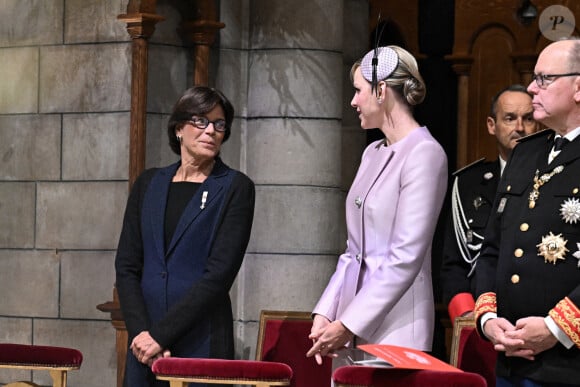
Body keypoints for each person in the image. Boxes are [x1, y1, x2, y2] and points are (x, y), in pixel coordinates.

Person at [306, 45, 448, 372]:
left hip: (396, 326)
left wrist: (349, 323)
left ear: (381, 90)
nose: (353, 101)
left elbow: (405, 256)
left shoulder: (424, 154)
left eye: (358, 90)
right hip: (349, 322)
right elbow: (353, 251)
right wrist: (326, 311)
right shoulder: (372, 152)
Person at [115, 86, 255, 387]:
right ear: (179, 128)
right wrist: (141, 334)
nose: (211, 131)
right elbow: (127, 266)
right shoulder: (148, 183)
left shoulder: (234, 187)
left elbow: (218, 276)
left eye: (219, 125)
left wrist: (160, 335)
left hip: (200, 340)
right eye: (201, 121)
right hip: (144, 345)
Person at [474, 38, 580, 386]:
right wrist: (488, 319)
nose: (532, 87)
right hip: (510, 359)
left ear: (578, 86)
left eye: (544, 79)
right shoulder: (526, 153)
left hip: (569, 364)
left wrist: (555, 327)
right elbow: (493, 248)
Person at [441, 85, 538, 324]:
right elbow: (452, 263)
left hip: (535, 319)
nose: (519, 128)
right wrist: (468, 316)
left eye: (528, 118)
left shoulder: (552, 180)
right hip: (478, 318)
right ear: (491, 125)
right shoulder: (467, 183)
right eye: (509, 118)